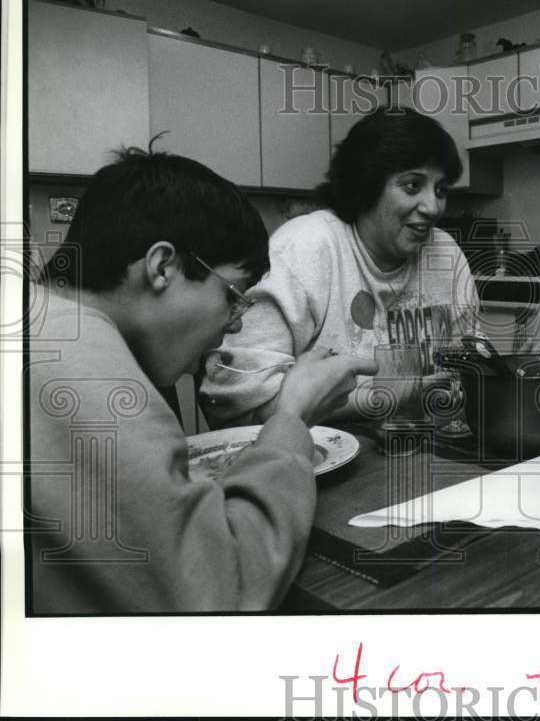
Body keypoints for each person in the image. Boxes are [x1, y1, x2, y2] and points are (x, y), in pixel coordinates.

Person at [29, 148, 376, 613]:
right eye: (234, 295)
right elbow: (219, 595)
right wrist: (293, 415)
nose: (234, 324)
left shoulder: (41, 323)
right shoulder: (83, 370)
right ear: (162, 267)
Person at [201, 107, 540, 427]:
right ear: (366, 184)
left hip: (423, 457)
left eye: (440, 189)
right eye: (412, 185)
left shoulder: (445, 253)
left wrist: (513, 371)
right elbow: (236, 408)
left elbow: (469, 368)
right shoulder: (305, 247)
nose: (433, 207)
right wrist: (382, 398)